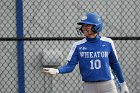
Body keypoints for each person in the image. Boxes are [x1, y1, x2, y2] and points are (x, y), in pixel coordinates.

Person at [43, 12, 129, 93]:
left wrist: (123, 84)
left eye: (87, 25)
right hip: (89, 86)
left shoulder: (107, 42)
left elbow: (114, 64)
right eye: (83, 25)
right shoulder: (78, 45)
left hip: (107, 85)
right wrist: (57, 70)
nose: (84, 27)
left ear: (97, 26)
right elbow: (70, 66)